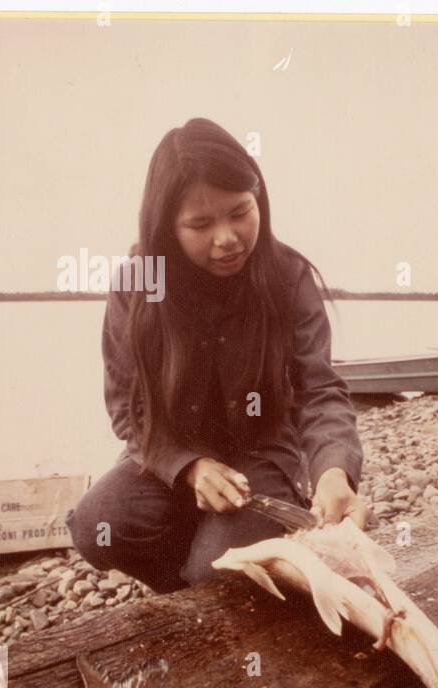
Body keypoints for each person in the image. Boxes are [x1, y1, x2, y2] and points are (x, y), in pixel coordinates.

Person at [66, 118, 366, 593]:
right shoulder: (137, 285)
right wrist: (187, 467)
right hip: (169, 455)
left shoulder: (288, 277)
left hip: (261, 454)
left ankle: (206, 572)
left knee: (218, 573)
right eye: (201, 224)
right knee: (97, 525)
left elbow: (321, 390)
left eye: (240, 212)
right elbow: (128, 409)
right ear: (166, 226)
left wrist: (333, 470)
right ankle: (179, 587)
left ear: (258, 198)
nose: (227, 238)